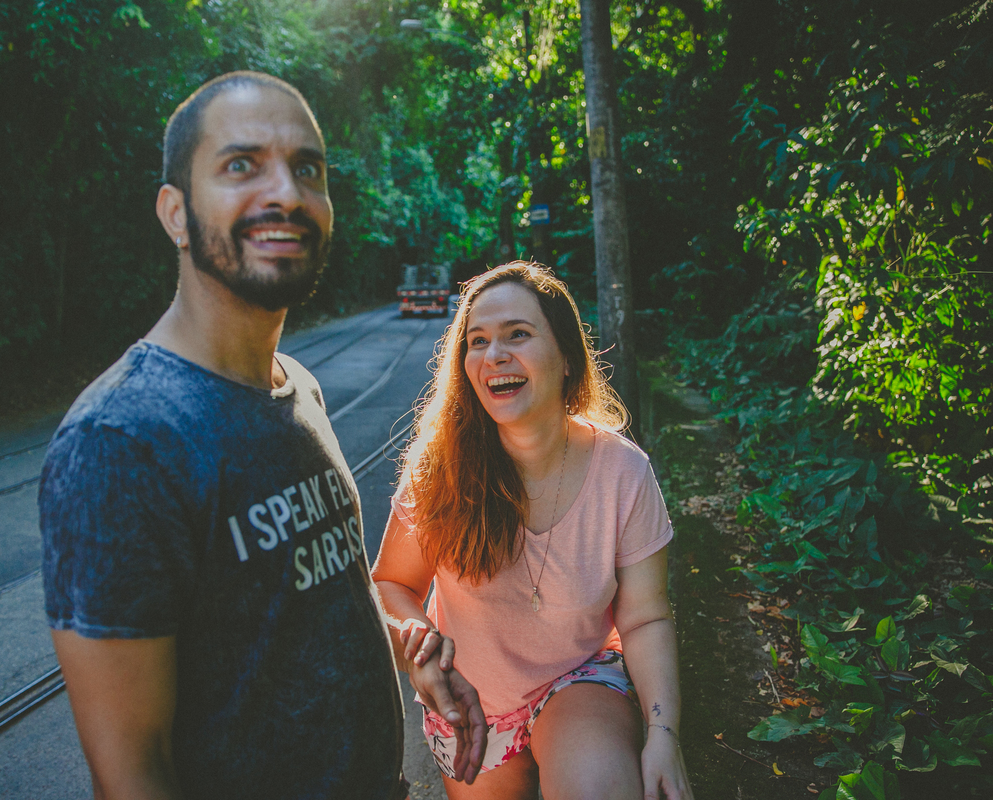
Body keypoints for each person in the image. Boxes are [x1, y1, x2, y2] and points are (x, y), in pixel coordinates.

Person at [38, 71, 485, 799]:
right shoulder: (121, 441)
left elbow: (307, 596)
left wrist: (407, 648)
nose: (285, 192)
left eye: (307, 168)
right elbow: (133, 771)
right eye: (241, 165)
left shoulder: (295, 386)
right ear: (175, 213)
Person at [371, 262, 695, 799]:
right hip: (471, 704)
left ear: (567, 356)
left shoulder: (623, 471)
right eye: (477, 341)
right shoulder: (439, 468)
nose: (494, 354)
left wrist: (663, 734)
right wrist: (420, 648)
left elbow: (646, 616)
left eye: (517, 334)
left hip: (579, 680)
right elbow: (392, 586)